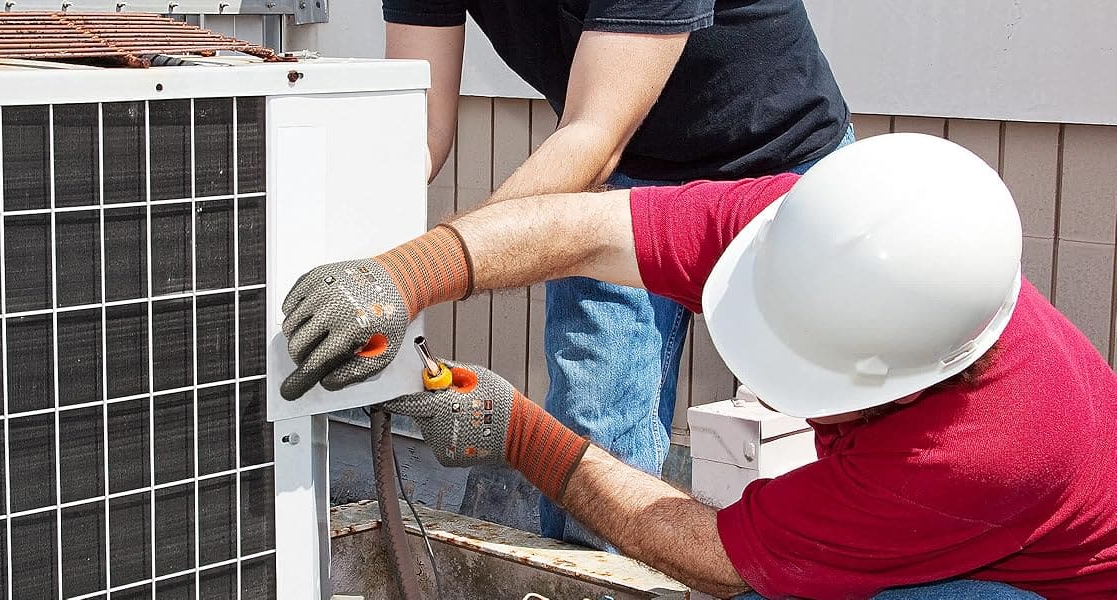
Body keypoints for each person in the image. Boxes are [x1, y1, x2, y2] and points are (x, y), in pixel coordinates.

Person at [277, 133, 1117, 598]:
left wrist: (520, 434)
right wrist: (404, 274)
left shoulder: (975, 456)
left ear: (907, 381)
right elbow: (583, 229)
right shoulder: (811, 226)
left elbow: (716, 553)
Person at [336, 0, 856, 545]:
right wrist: (358, 255)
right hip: (624, 175)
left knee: (864, 422)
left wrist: (420, 271)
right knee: (595, 439)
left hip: (779, 168)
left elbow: (593, 133)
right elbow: (423, 125)